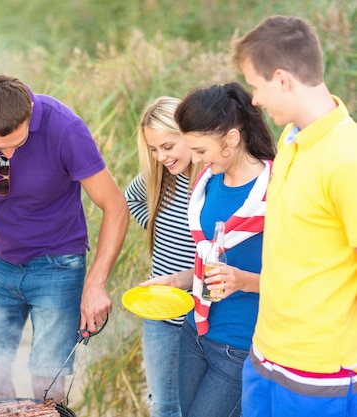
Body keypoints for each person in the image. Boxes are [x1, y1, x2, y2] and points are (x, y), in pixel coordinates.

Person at [0, 74, 129, 403]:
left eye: (17, 142)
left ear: (30, 113)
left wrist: (96, 283)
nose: (8, 154)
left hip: (58, 266)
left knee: (46, 381)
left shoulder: (65, 128)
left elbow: (116, 207)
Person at [233, 15, 357, 417]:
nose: (254, 99)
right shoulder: (290, 138)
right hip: (265, 352)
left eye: (256, 85)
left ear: (283, 78)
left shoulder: (347, 159)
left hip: (320, 373)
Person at [162, 82, 275, 417]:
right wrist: (178, 281)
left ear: (232, 139)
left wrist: (243, 281)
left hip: (241, 345)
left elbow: (301, 279)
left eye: (200, 150)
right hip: (195, 334)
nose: (195, 160)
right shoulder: (207, 182)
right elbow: (209, 260)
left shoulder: (279, 189)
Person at [124, 96, 203, 417]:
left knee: (195, 405)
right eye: (154, 149)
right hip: (161, 312)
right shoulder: (160, 177)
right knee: (163, 403)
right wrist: (156, 228)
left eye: (168, 146)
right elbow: (132, 198)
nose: (161, 157)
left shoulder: (210, 179)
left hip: (204, 315)